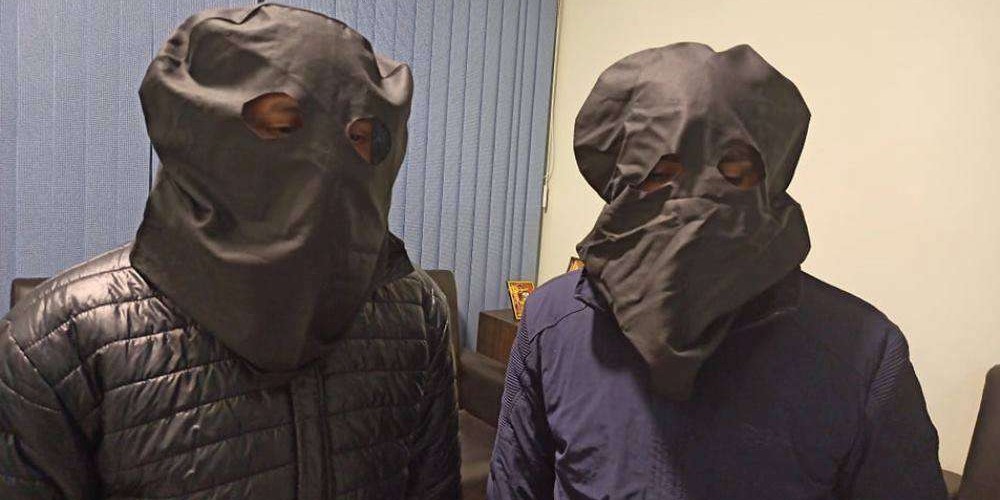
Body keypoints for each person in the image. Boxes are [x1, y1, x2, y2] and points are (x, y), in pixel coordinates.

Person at [0, 5, 459, 499]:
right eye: (283, 127)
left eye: (359, 138)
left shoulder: (415, 311)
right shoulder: (58, 344)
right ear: (203, 133)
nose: (327, 161)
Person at [487, 43, 947, 499]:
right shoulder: (553, 324)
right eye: (661, 173)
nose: (695, 199)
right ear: (620, 183)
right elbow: (515, 486)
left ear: (769, 182)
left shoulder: (860, 354)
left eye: (733, 172)